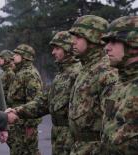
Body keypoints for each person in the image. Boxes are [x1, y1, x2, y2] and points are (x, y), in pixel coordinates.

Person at [11, 31, 82, 155]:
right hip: (59, 135)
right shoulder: (62, 74)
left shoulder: (78, 72)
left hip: (72, 137)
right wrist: (16, 111)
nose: (53, 52)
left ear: (68, 48)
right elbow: (44, 101)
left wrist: (28, 123)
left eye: (57, 48)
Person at [67, 15, 119, 155]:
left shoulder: (106, 71)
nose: (73, 42)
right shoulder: (86, 68)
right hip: (80, 147)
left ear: (93, 38)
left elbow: (112, 126)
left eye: (78, 37)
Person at [100, 16, 138, 155]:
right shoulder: (118, 84)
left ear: (133, 44)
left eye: (114, 41)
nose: (107, 48)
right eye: (107, 42)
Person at [7, 44, 43, 155]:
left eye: (17, 54)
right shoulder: (20, 72)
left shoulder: (30, 74)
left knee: (28, 151)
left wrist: (30, 127)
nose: (13, 57)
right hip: (17, 125)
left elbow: (34, 102)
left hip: (24, 126)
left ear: (25, 57)